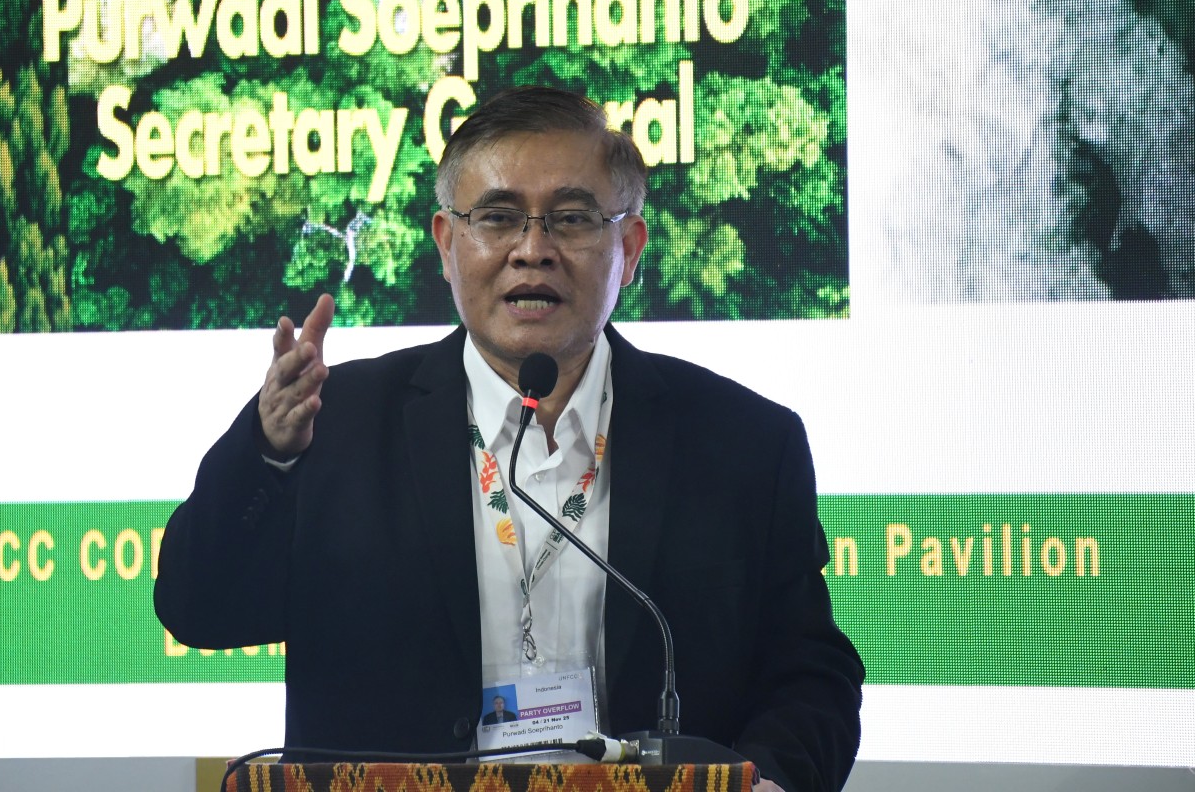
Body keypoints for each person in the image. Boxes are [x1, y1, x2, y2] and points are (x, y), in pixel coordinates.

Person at [155, 86, 863, 791]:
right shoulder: (335, 424)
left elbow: (810, 676)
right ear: (446, 244)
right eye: (498, 217)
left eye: (572, 219)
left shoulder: (744, 444)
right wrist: (269, 453)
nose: (533, 250)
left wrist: (770, 781)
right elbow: (198, 610)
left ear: (629, 248)